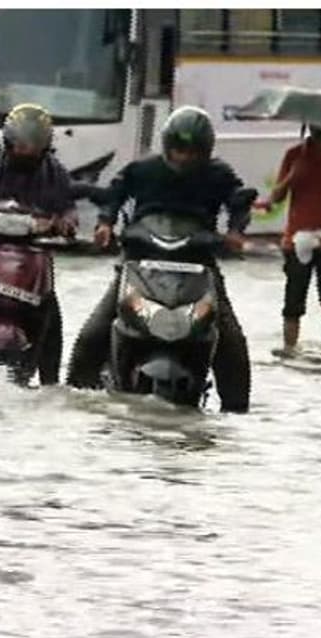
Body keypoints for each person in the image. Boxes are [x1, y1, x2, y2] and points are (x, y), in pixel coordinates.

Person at [65, 106, 253, 413]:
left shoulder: (219, 174)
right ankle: (74, 396)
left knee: (230, 338)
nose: (184, 157)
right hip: (140, 260)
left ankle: (237, 409)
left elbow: (239, 200)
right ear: (166, 145)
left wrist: (235, 231)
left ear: (205, 151)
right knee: (93, 332)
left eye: (193, 151)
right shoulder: (143, 169)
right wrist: (105, 222)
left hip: (198, 265)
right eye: (178, 149)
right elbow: (116, 192)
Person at [0, 103, 76, 384]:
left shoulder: (54, 171)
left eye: (34, 146)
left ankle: (51, 384)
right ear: (7, 141)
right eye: (20, 145)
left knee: (49, 309)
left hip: (30, 252)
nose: (26, 151)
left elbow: (68, 206)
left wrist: (65, 222)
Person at [258, 124, 321, 357]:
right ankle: (289, 349)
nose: (319, 130)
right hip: (297, 240)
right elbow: (276, 198)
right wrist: (292, 175)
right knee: (293, 303)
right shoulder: (294, 155)